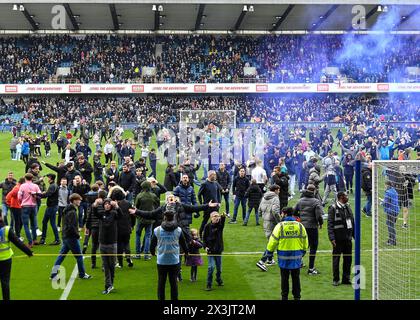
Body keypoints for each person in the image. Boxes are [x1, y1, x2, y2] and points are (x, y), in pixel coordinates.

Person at [265, 206, 308, 300]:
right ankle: (297, 296)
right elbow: (305, 240)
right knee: (296, 278)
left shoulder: (280, 226)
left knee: (284, 278)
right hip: (297, 256)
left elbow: (273, 241)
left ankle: (284, 297)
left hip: (283, 257)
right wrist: (303, 251)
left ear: (284, 214)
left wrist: (269, 252)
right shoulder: (300, 226)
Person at [50, 193, 91, 280]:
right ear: (74, 200)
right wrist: (77, 235)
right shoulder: (72, 212)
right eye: (79, 200)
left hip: (65, 236)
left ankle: (53, 274)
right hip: (71, 237)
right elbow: (72, 227)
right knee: (79, 256)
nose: (80, 201)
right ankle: (82, 274)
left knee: (61, 256)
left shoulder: (67, 210)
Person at [150, 211, 188, 301]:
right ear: (173, 217)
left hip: (161, 261)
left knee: (161, 283)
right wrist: (186, 253)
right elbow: (183, 243)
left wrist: (152, 252)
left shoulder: (157, 230)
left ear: (164, 217)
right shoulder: (178, 230)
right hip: (174, 260)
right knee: (174, 283)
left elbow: (152, 245)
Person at [0, 212, 33, 300]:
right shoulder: (6, 229)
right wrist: (29, 252)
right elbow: (18, 243)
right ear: (0, 217)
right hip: (5, 260)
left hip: (5, 260)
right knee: (5, 282)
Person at [92, 197, 121, 294]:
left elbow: (121, 215)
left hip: (112, 244)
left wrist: (117, 206)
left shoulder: (114, 213)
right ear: (103, 205)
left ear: (111, 205)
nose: (107, 205)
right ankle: (108, 285)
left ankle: (110, 284)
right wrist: (95, 204)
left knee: (111, 266)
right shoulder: (101, 214)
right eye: (105, 204)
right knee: (105, 266)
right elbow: (95, 212)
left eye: (109, 204)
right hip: (103, 243)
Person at [294, 184, 324, 275]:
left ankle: (296, 263)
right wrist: (321, 223)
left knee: (303, 246)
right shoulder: (316, 201)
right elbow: (318, 215)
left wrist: (301, 218)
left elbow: (294, 212)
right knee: (313, 247)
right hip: (312, 227)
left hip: (302, 227)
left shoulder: (300, 201)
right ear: (314, 191)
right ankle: (311, 268)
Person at [327, 191, 354, 286]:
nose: (347, 197)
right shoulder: (333, 208)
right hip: (337, 239)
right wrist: (332, 238)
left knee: (348, 260)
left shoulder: (348, 206)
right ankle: (336, 279)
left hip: (348, 239)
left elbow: (352, 221)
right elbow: (330, 224)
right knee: (336, 260)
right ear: (341, 197)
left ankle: (346, 279)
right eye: (346, 195)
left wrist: (354, 236)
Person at [256, 185, 282, 270]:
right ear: (275, 190)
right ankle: (262, 261)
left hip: (265, 221)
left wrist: (262, 216)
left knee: (270, 240)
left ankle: (270, 260)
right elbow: (275, 211)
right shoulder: (275, 198)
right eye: (278, 190)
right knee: (272, 242)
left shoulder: (264, 197)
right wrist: (280, 221)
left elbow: (259, 209)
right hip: (272, 222)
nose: (279, 191)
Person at [111, 189, 136, 268]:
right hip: (127, 226)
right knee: (126, 243)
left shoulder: (114, 205)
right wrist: (132, 225)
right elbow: (133, 215)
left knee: (119, 245)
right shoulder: (128, 203)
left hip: (117, 228)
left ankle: (120, 263)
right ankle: (128, 258)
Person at [203, 211, 226, 291]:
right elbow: (204, 238)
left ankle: (218, 279)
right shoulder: (207, 226)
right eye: (214, 216)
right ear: (211, 218)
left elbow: (222, 222)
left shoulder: (220, 226)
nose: (216, 217)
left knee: (219, 268)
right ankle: (208, 284)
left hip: (218, 250)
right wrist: (205, 247)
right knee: (211, 267)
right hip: (210, 251)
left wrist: (223, 217)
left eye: (217, 216)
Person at [18, 173, 41, 247]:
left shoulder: (22, 186)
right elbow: (40, 195)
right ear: (32, 178)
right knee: (33, 224)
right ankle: (35, 239)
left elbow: (19, 197)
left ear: (25, 178)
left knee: (26, 225)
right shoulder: (35, 186)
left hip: (25, 206)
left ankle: (30, 242)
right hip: (34, 206)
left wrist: (22, 202)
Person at [197, 171, 222, 238]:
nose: (214, 176)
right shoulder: (204, 184)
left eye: (215, 175)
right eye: (213, 175)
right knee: (205, 221)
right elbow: (199, 195)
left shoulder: (216, 183)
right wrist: (202, 204)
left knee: (216, 221)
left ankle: (215, 235)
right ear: (209, 175)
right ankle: (200, 233)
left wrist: (219, 202)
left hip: (216, 206)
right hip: (208, 207)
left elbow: (219, 193)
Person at [39, 174, 61, 245]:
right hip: (51, 207)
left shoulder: (52, 186)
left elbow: (46, 195)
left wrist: (36, 194)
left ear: (51, 178)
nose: (47, 179)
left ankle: (57, 240)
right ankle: (43, 238)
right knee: (45, 222)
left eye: (48, 178)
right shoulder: (53, 185)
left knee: (52, 223)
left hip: (52, 207)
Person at [382, 181, 400, 246]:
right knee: (390, 224)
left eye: (385, 185)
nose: (384, 187)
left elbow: (386, 202)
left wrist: (382, 203)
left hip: (391, 211)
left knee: (390, 226)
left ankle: (393, 241)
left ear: (387, 185)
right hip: (396, 210)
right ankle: (390, 240)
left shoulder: (388, 192)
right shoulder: (394, 191)